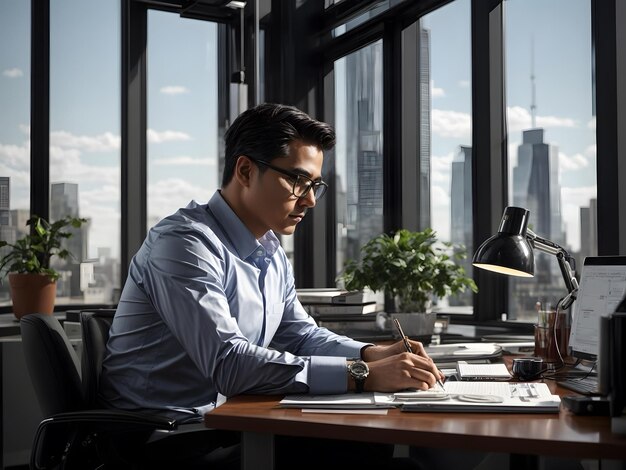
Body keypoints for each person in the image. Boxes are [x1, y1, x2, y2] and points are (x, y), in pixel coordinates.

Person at [99, 103, 444, 469]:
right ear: (246, 170)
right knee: (370, 451)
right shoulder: (184, 243)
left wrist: (369, 353)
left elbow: (299, 334)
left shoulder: (269, 249)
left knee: (372, 445)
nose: (310, 200)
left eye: (315, 185)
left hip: (226, 421)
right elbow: (228, 363)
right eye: (298, 181)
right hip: (166, 438)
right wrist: (360, 376)